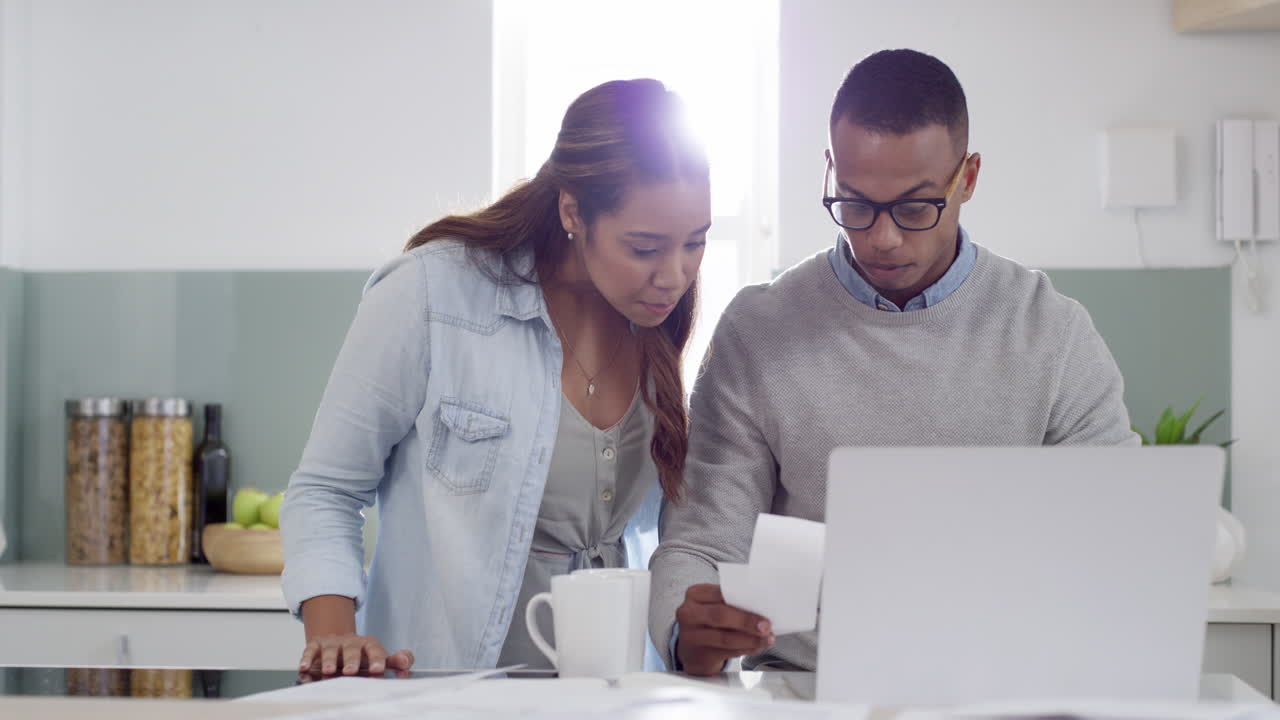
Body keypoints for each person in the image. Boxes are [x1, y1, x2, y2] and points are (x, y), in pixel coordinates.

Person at [649, 49, 1139, 676]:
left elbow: (1115, 538)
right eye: (855, 203)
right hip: (805, 691)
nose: (881, 237)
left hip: (1002, 684)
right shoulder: (759, 331)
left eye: (914, 208)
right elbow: (703, 540)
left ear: (968, 178)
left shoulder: (1052, 335)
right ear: (831, 167)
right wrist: (684, 634)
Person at [280, 78, 711, 676]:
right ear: (572, 212)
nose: (676, 275)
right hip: (442, 693)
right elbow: (325, 491)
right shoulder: (432, 294)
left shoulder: (654, 326)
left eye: (696, 243)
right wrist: (335, 643)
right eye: (644, 248)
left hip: (612, 694)